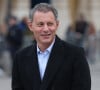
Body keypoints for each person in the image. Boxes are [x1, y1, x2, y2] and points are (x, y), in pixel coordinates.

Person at [12, 3, 91, 90]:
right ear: (31, 26)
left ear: (57, 25)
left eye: (50, 24)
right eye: (40, 24)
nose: (46, 29)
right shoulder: (20, 57)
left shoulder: (75, 54)